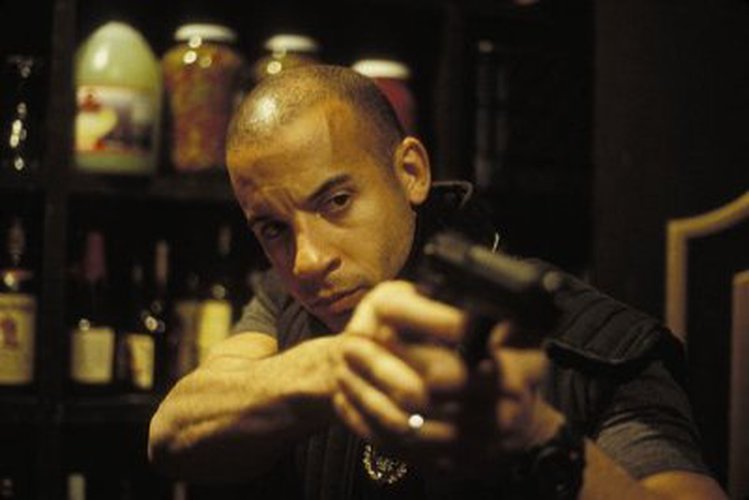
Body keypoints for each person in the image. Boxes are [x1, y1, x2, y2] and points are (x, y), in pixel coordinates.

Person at [148, 65, 725, 499]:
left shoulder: (603, 344)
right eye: (274, 229)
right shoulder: (286, 303)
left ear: (411, 172)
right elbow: (173, 435)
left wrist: (534, 436)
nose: (307, 261)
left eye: (337, 201)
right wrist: (341, 367)